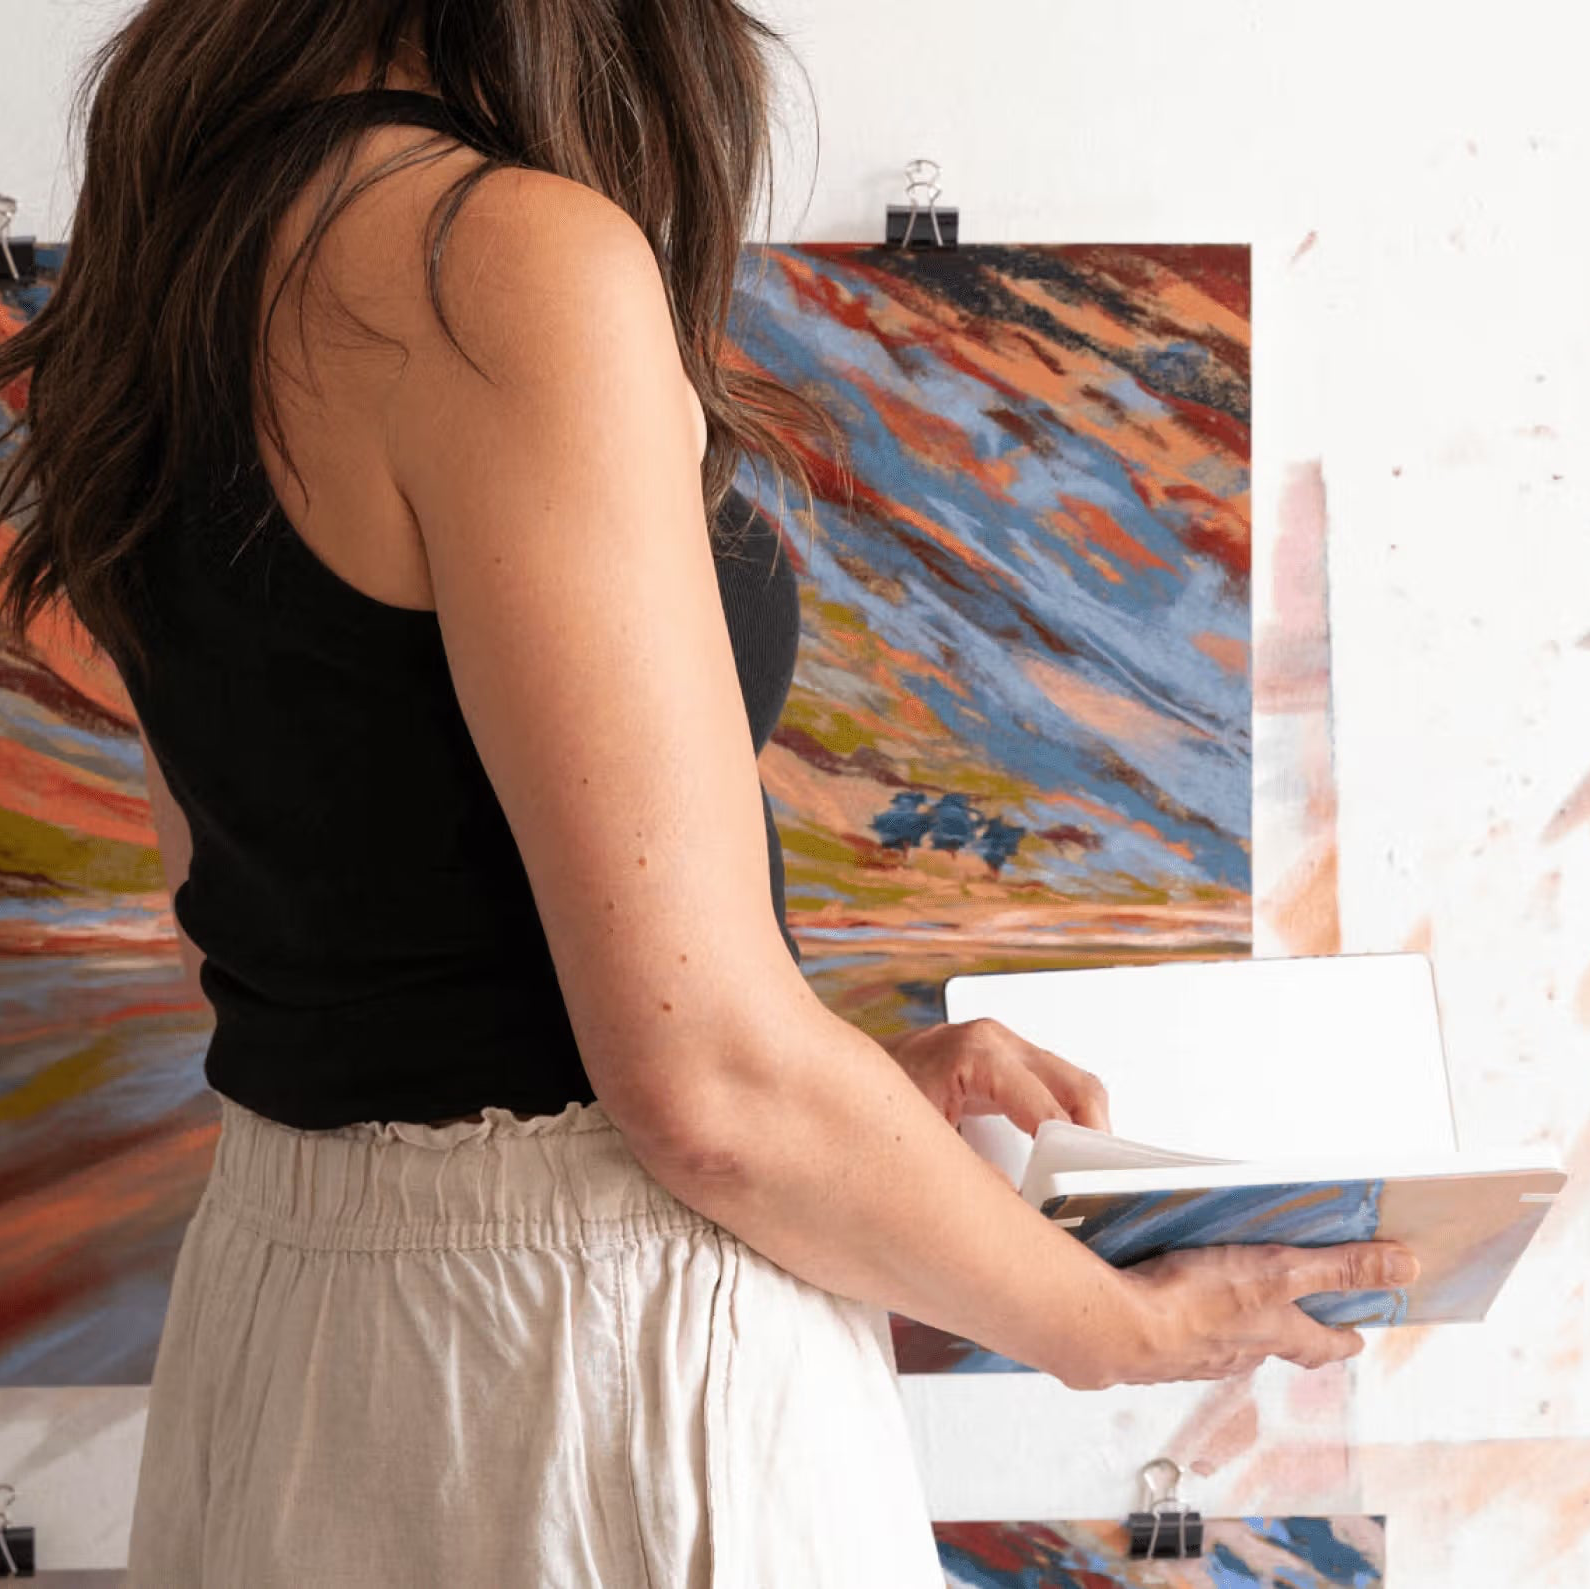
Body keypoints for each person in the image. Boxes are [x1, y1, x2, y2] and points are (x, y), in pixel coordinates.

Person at [0, 3, 1418, 1584]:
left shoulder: (168, 282)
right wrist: (1107, 1324)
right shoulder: (494, 259)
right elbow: (706, 1099)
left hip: (288, 1326)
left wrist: (841, 1084)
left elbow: (324, 936)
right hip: (578, 1359)